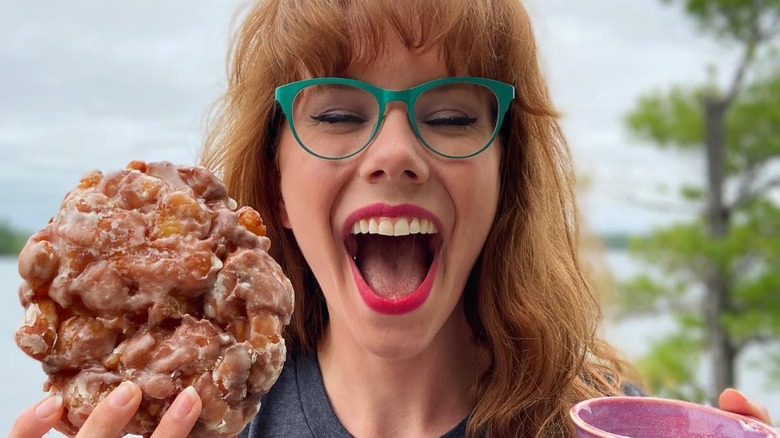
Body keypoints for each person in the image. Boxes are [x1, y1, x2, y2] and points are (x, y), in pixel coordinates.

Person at [11, 0, 773, 437]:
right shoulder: (193, 426)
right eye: (340, 113)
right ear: (273, 190)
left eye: (448, 116)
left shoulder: (605, 424)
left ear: (505, 180)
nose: (396, 153)